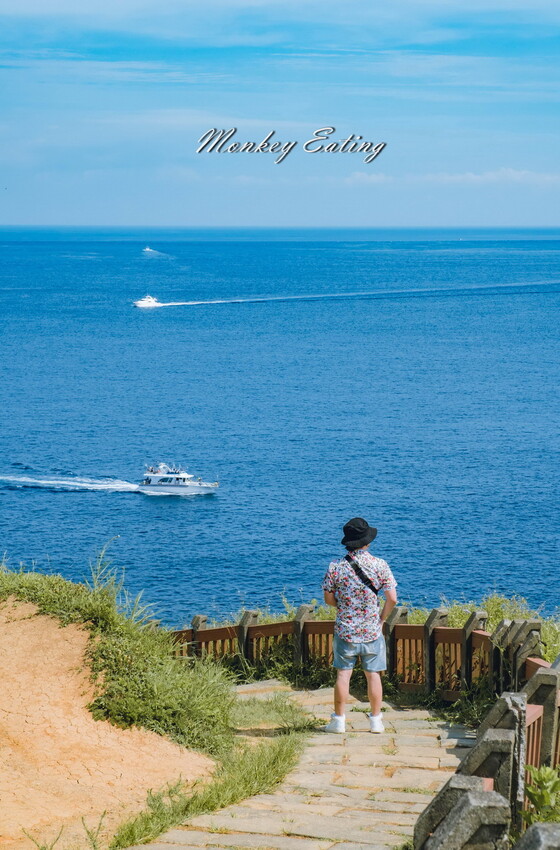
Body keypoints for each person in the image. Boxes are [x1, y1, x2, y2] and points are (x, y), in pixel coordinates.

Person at [322, 517, 398, 734]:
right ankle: (376, 721)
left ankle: (338, 721)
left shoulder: (336, 567)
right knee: (373, 674)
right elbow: (392, 598)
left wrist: (343, 607)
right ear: (367, 541)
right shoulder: (379, 564)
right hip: (372, 630)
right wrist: (381, 619)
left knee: (343, 675)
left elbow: (328, 598)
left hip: (345, 629)